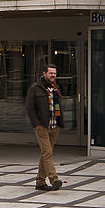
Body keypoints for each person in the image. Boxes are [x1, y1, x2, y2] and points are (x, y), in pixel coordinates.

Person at [25, 63, 64, 191]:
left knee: (46, 153)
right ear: (44, 74)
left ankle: (40, 182)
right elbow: (29, 107)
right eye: (50, 73)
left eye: (54, 73)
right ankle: (54, 179)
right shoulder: (35, 88)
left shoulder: (55, 88)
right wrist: (36, 124)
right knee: (47, 152)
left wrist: (59, 122)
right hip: (42, 126)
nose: (53, 75)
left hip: (54, 125)